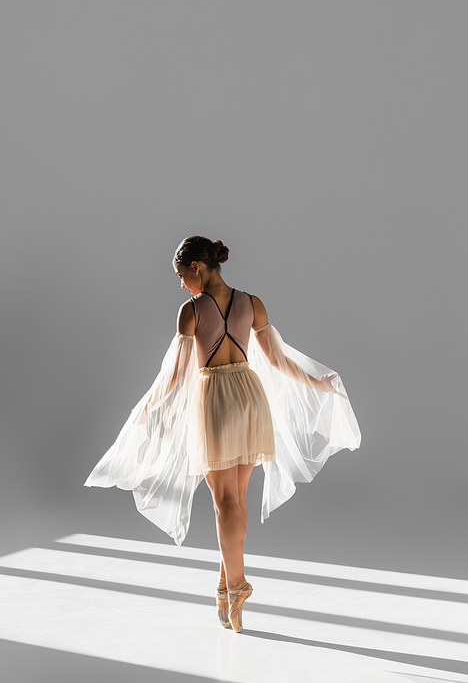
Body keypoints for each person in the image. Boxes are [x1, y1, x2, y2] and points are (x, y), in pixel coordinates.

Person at [84, 236, 361, 633]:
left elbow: (176, 375)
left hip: (215, 400)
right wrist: (319, 383)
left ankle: (238, 586)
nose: (181, 284)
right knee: (237, 502)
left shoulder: (191, 310)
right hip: (250, 398)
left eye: (182, 275)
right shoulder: (253, 302)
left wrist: (146, 408)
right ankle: (222, 584)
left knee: (224, 504)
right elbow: (279, 361)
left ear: (197, 266)